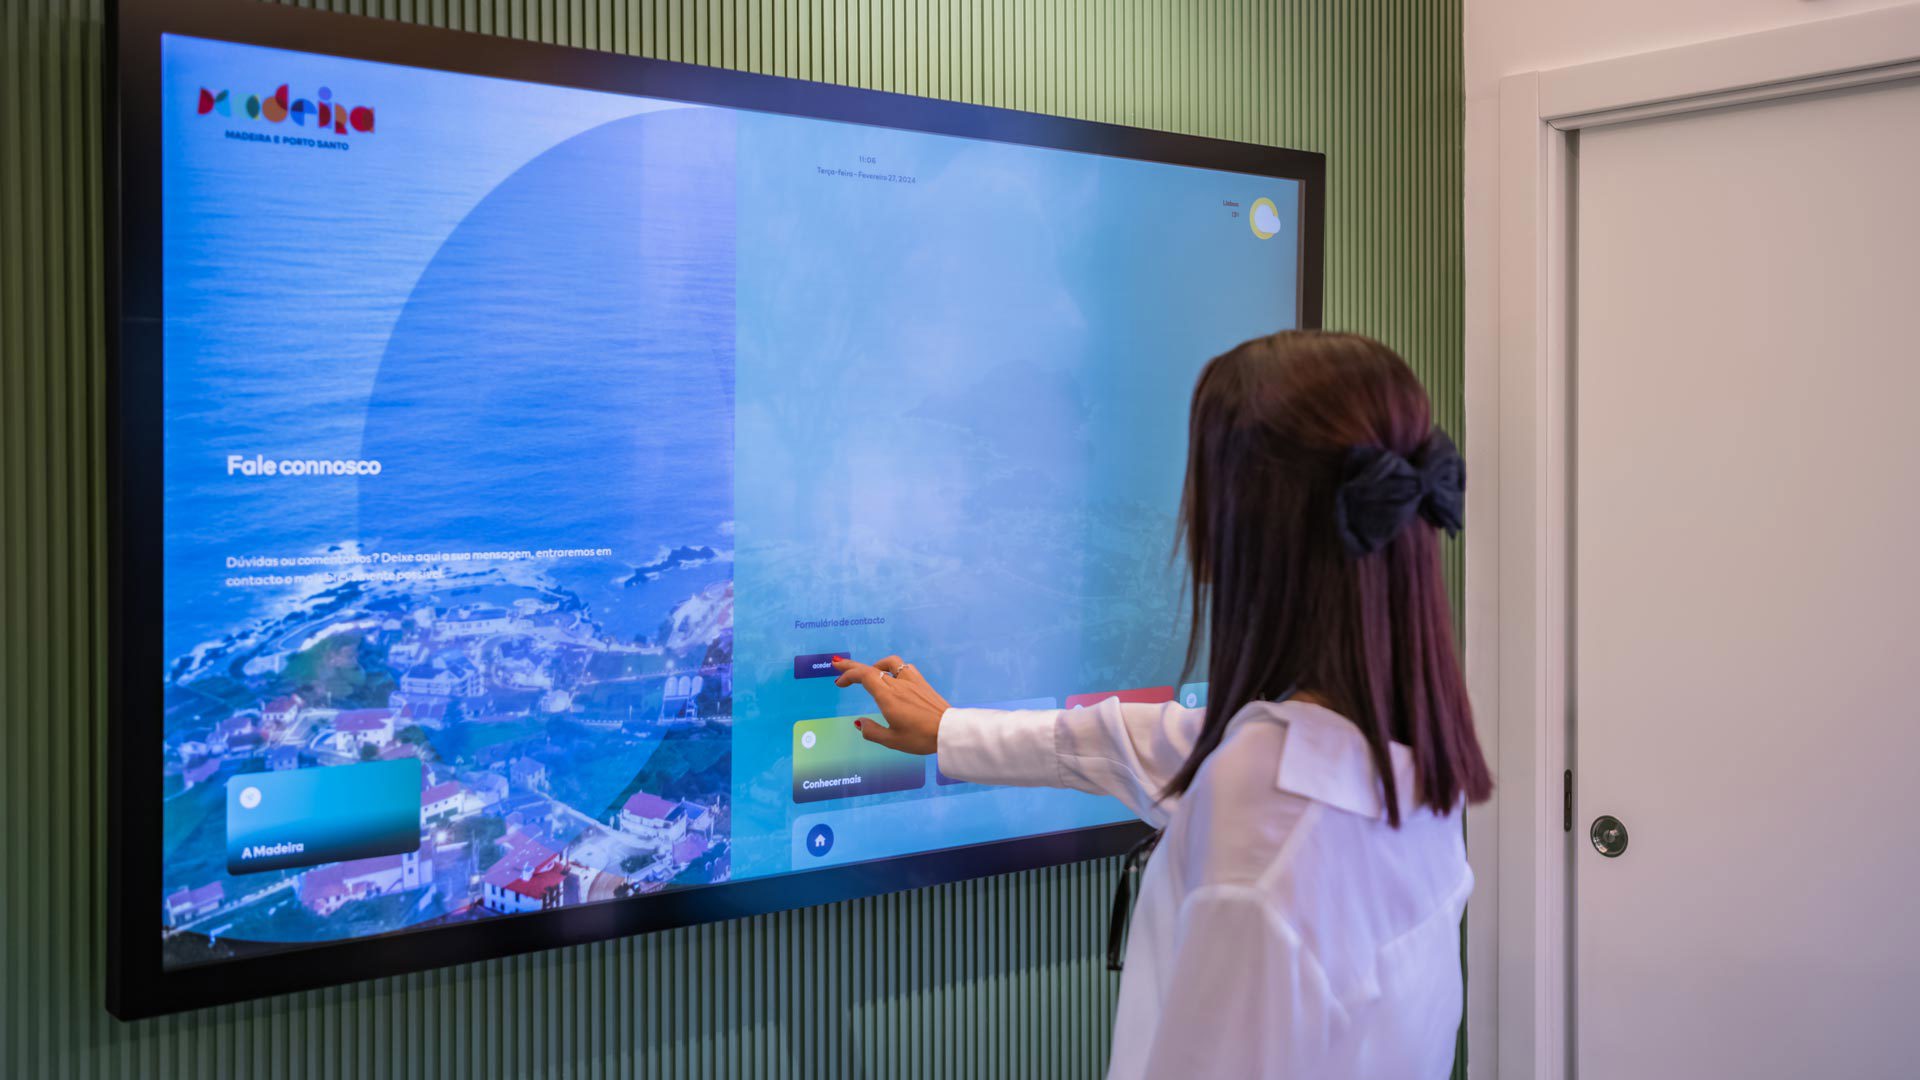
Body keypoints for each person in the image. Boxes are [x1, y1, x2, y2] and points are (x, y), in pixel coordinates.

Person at [832, 329, 1493, 1079]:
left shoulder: (1267, 823)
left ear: (1249, 526)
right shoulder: (1403, 763)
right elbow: (1141, 741)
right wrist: (953, 731)